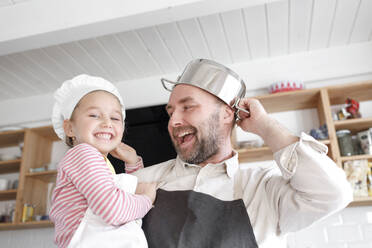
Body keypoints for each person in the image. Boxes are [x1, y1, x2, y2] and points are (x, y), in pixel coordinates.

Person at [133, 59, 353, 248]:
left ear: (227, 114)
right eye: (170, 112)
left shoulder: (264, 189)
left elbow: (333, 194)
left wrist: (266, 126)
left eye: (188, 107)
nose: (173, 121)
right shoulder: (141, 182)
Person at [50, 74, 156, 248]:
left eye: (115, 118)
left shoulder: (95, 162)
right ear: (69, 128)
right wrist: (147, 199)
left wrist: (132, 162)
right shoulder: (83, 154)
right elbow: (113, 209)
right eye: (94, 115)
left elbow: (123, 198)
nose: (107, 122)